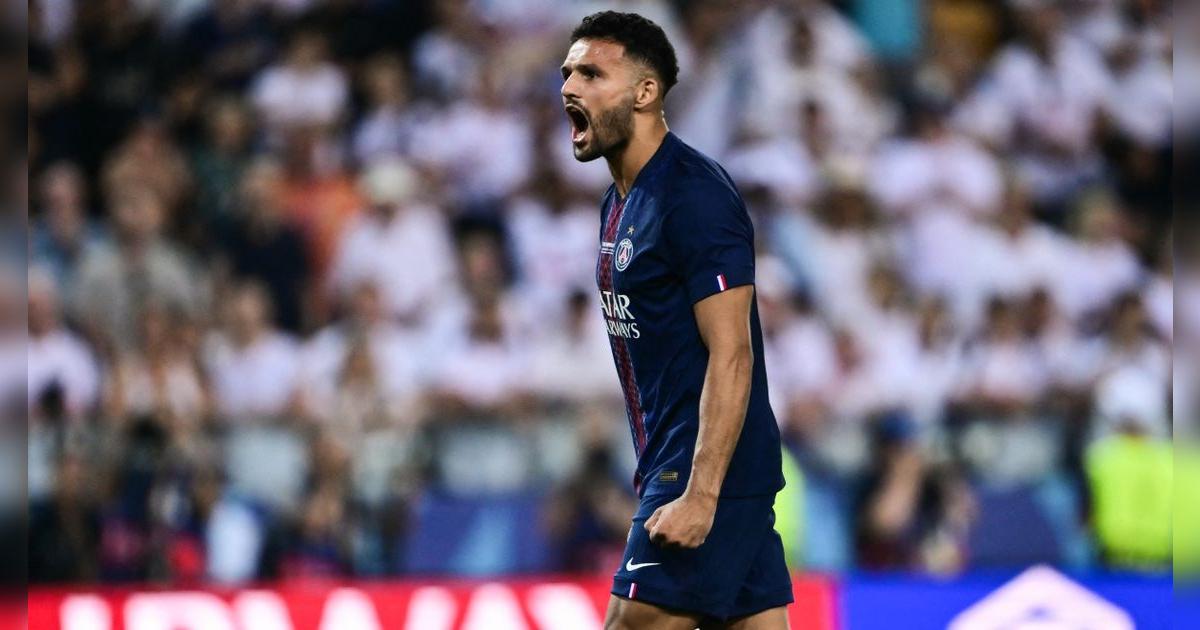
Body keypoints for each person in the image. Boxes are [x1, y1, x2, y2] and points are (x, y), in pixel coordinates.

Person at [560, 12, 791, 629]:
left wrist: (701, 493)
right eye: (567, 74)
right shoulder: (620, 201)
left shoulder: (693, 195)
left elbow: (733, 352)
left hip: (703, 471)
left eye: (591, 74)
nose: (569, 88)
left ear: (645, 92)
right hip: (681, 465)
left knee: (628, 622)